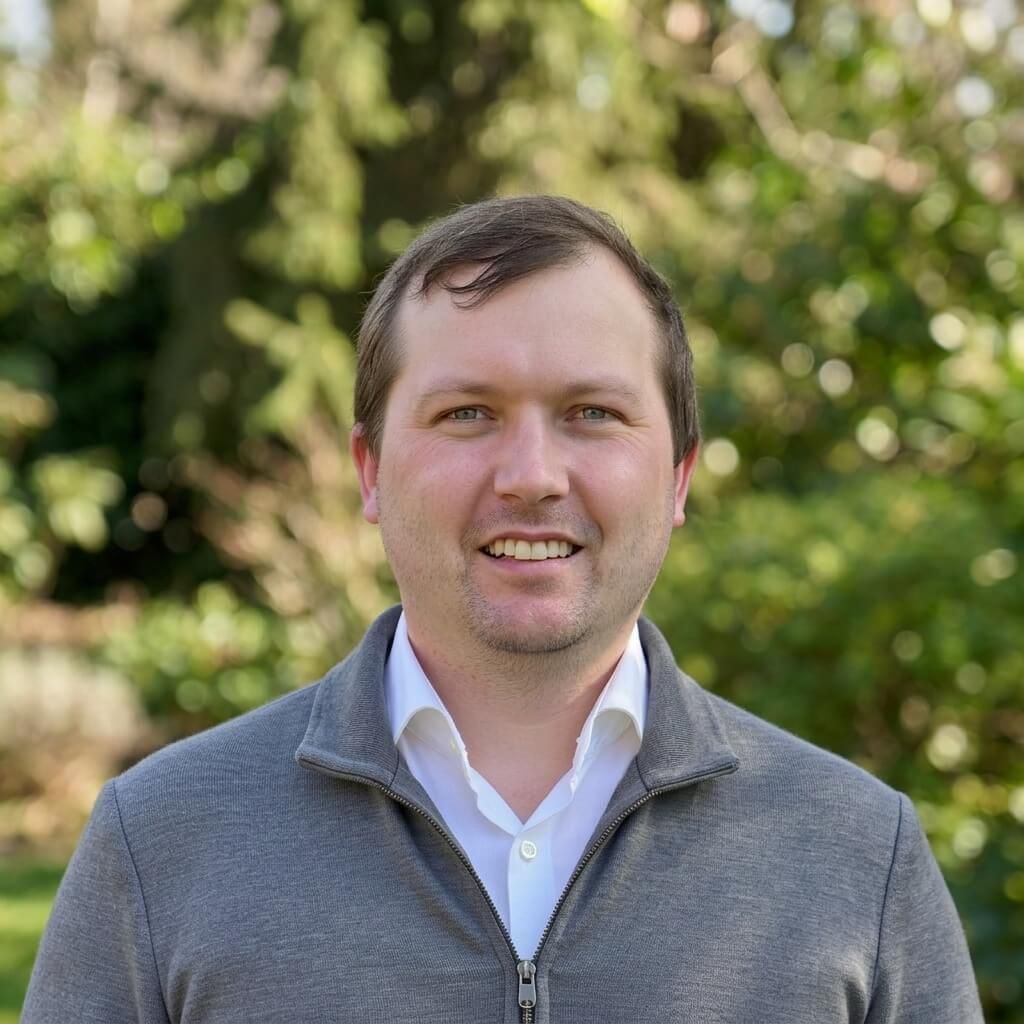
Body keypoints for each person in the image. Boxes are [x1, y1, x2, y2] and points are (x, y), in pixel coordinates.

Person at [23, 195, 982, 1023]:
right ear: (371, 470)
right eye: (467, 414)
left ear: (679, 477)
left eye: (592, 413)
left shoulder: (859, 854)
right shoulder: (161, 842)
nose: (531, 476)